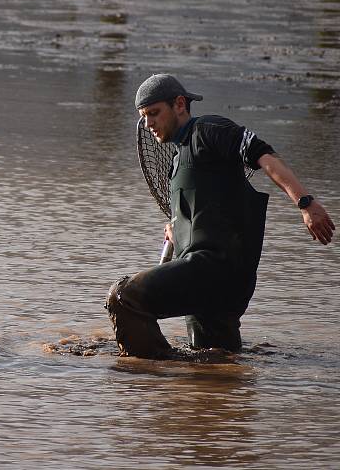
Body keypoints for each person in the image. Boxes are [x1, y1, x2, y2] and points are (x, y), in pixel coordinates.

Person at [105, 74, 335, 358]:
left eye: (154, 113)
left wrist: (305, 203)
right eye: (144, 116)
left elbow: (266, 157)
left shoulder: (209, 130)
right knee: (213, 362)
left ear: (179, 104)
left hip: (213, 269)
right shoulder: (177, 161)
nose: (149, 123)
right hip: (211, 284)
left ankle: (152, 376)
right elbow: (208, 207)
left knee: (124, 297)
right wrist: (177, 226)